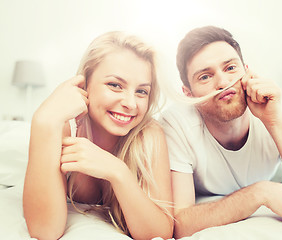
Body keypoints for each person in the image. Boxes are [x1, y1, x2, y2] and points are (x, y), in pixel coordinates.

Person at [159, 26, 282, 238]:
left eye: (230, 68)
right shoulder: (176, 123)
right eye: (205, 77)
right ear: (188, 93)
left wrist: (275, 123)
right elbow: (180, 224)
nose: (222, 82)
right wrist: (261, 192)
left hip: (274, 167)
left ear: (247, 72)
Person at [23, 31, 173, 240]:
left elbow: (160, 233)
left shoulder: (149, 134)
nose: (130, 103)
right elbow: (44, 231)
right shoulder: (64, 128)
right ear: (84, 84)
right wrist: (43, 121)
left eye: (141, 91)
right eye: (115, 85)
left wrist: (117, 171)